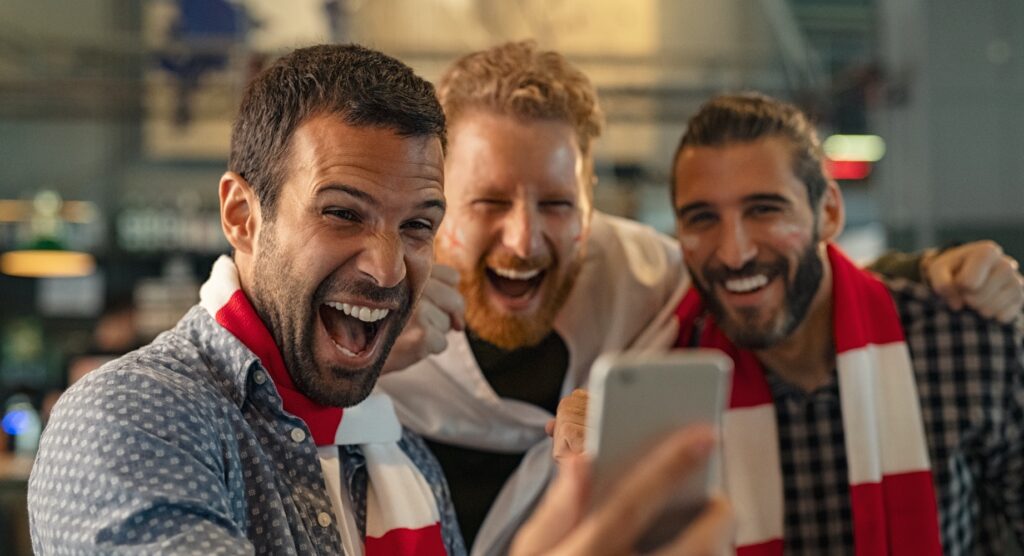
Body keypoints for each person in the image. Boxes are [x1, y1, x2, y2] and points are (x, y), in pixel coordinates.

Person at [25, 43, 737, 556]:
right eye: (343, 213)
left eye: (418, 224)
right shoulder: (131, 419)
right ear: (243, 217)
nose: (389, 268)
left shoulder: (394, 455)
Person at [378, 41, 1024, 555]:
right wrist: (359, 364)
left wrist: (929, 270)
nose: (522, 241)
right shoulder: (369, 324)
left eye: (556, 203)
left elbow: (793, 284)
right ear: (439, 200)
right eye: (488, 201)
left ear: (590, 202)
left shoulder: (645, 281)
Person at [663, 93, 1021, 554]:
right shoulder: (669, 381)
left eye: (765, 209)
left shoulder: (964, 341)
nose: (735, 253)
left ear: (828, 212)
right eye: (702, 218)